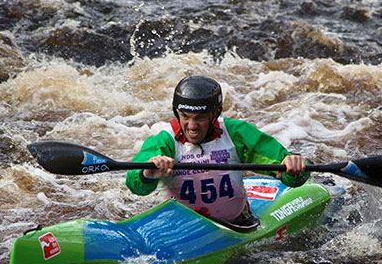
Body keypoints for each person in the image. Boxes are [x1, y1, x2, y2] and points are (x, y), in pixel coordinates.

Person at [125, 75, 309, 231]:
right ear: (177, 113)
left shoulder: (236, 133)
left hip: (235, 224)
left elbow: (287, 171)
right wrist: (147, 174)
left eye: (200, 118)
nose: (192, 126)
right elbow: (135, 184)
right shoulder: (164, 140)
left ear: (214, 114)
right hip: (179, 229)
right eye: (185, 117)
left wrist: (293, 167)